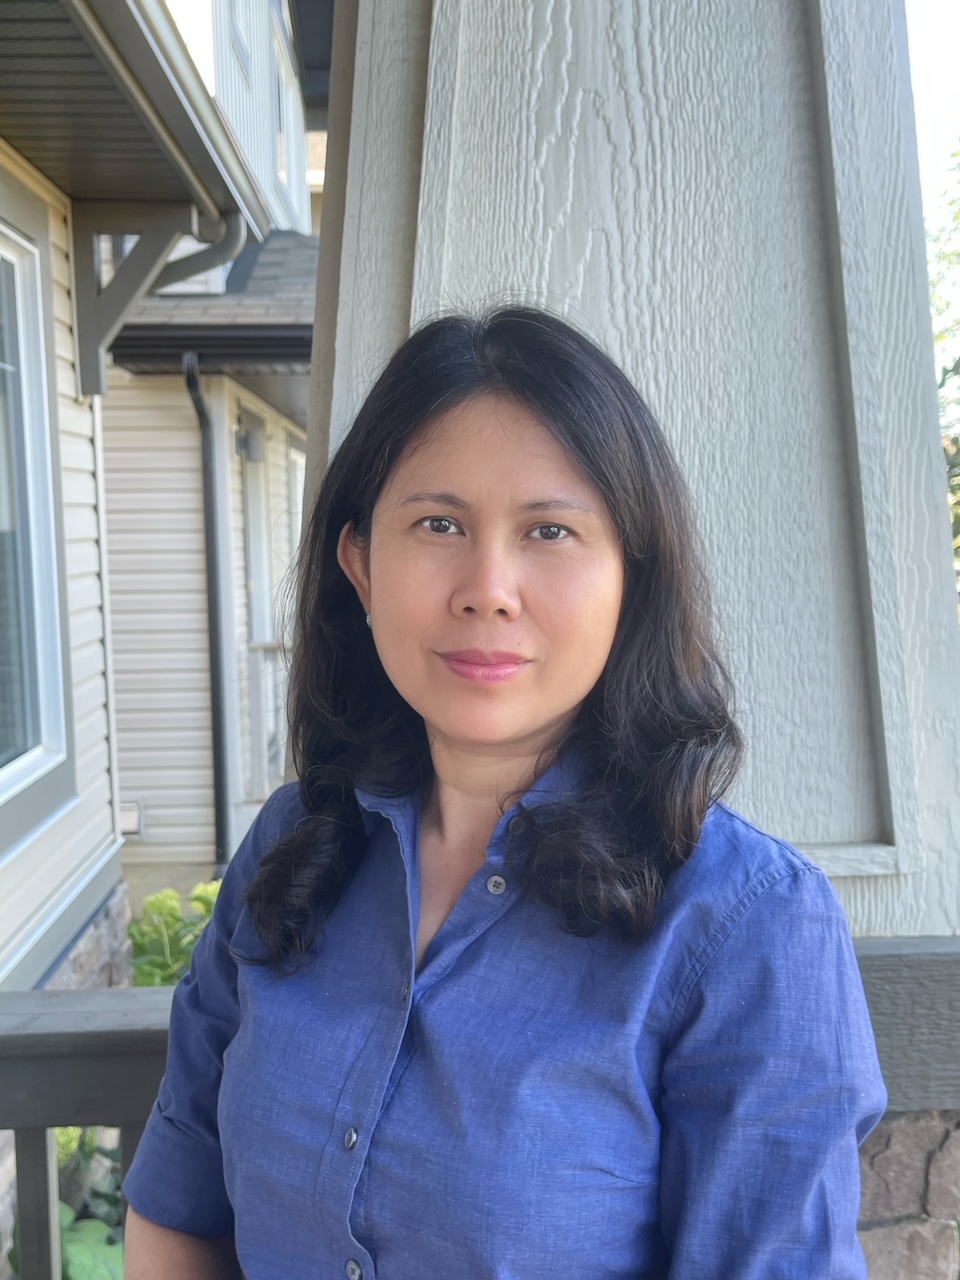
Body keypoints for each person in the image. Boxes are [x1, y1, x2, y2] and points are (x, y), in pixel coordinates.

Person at [123, 307, 886, 1280]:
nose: (489, 586)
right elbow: (178, 1210)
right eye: (438, 524)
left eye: (551, 530)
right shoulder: (293, 844)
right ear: (360, 564)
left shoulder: (748, 925)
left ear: (631, 579)